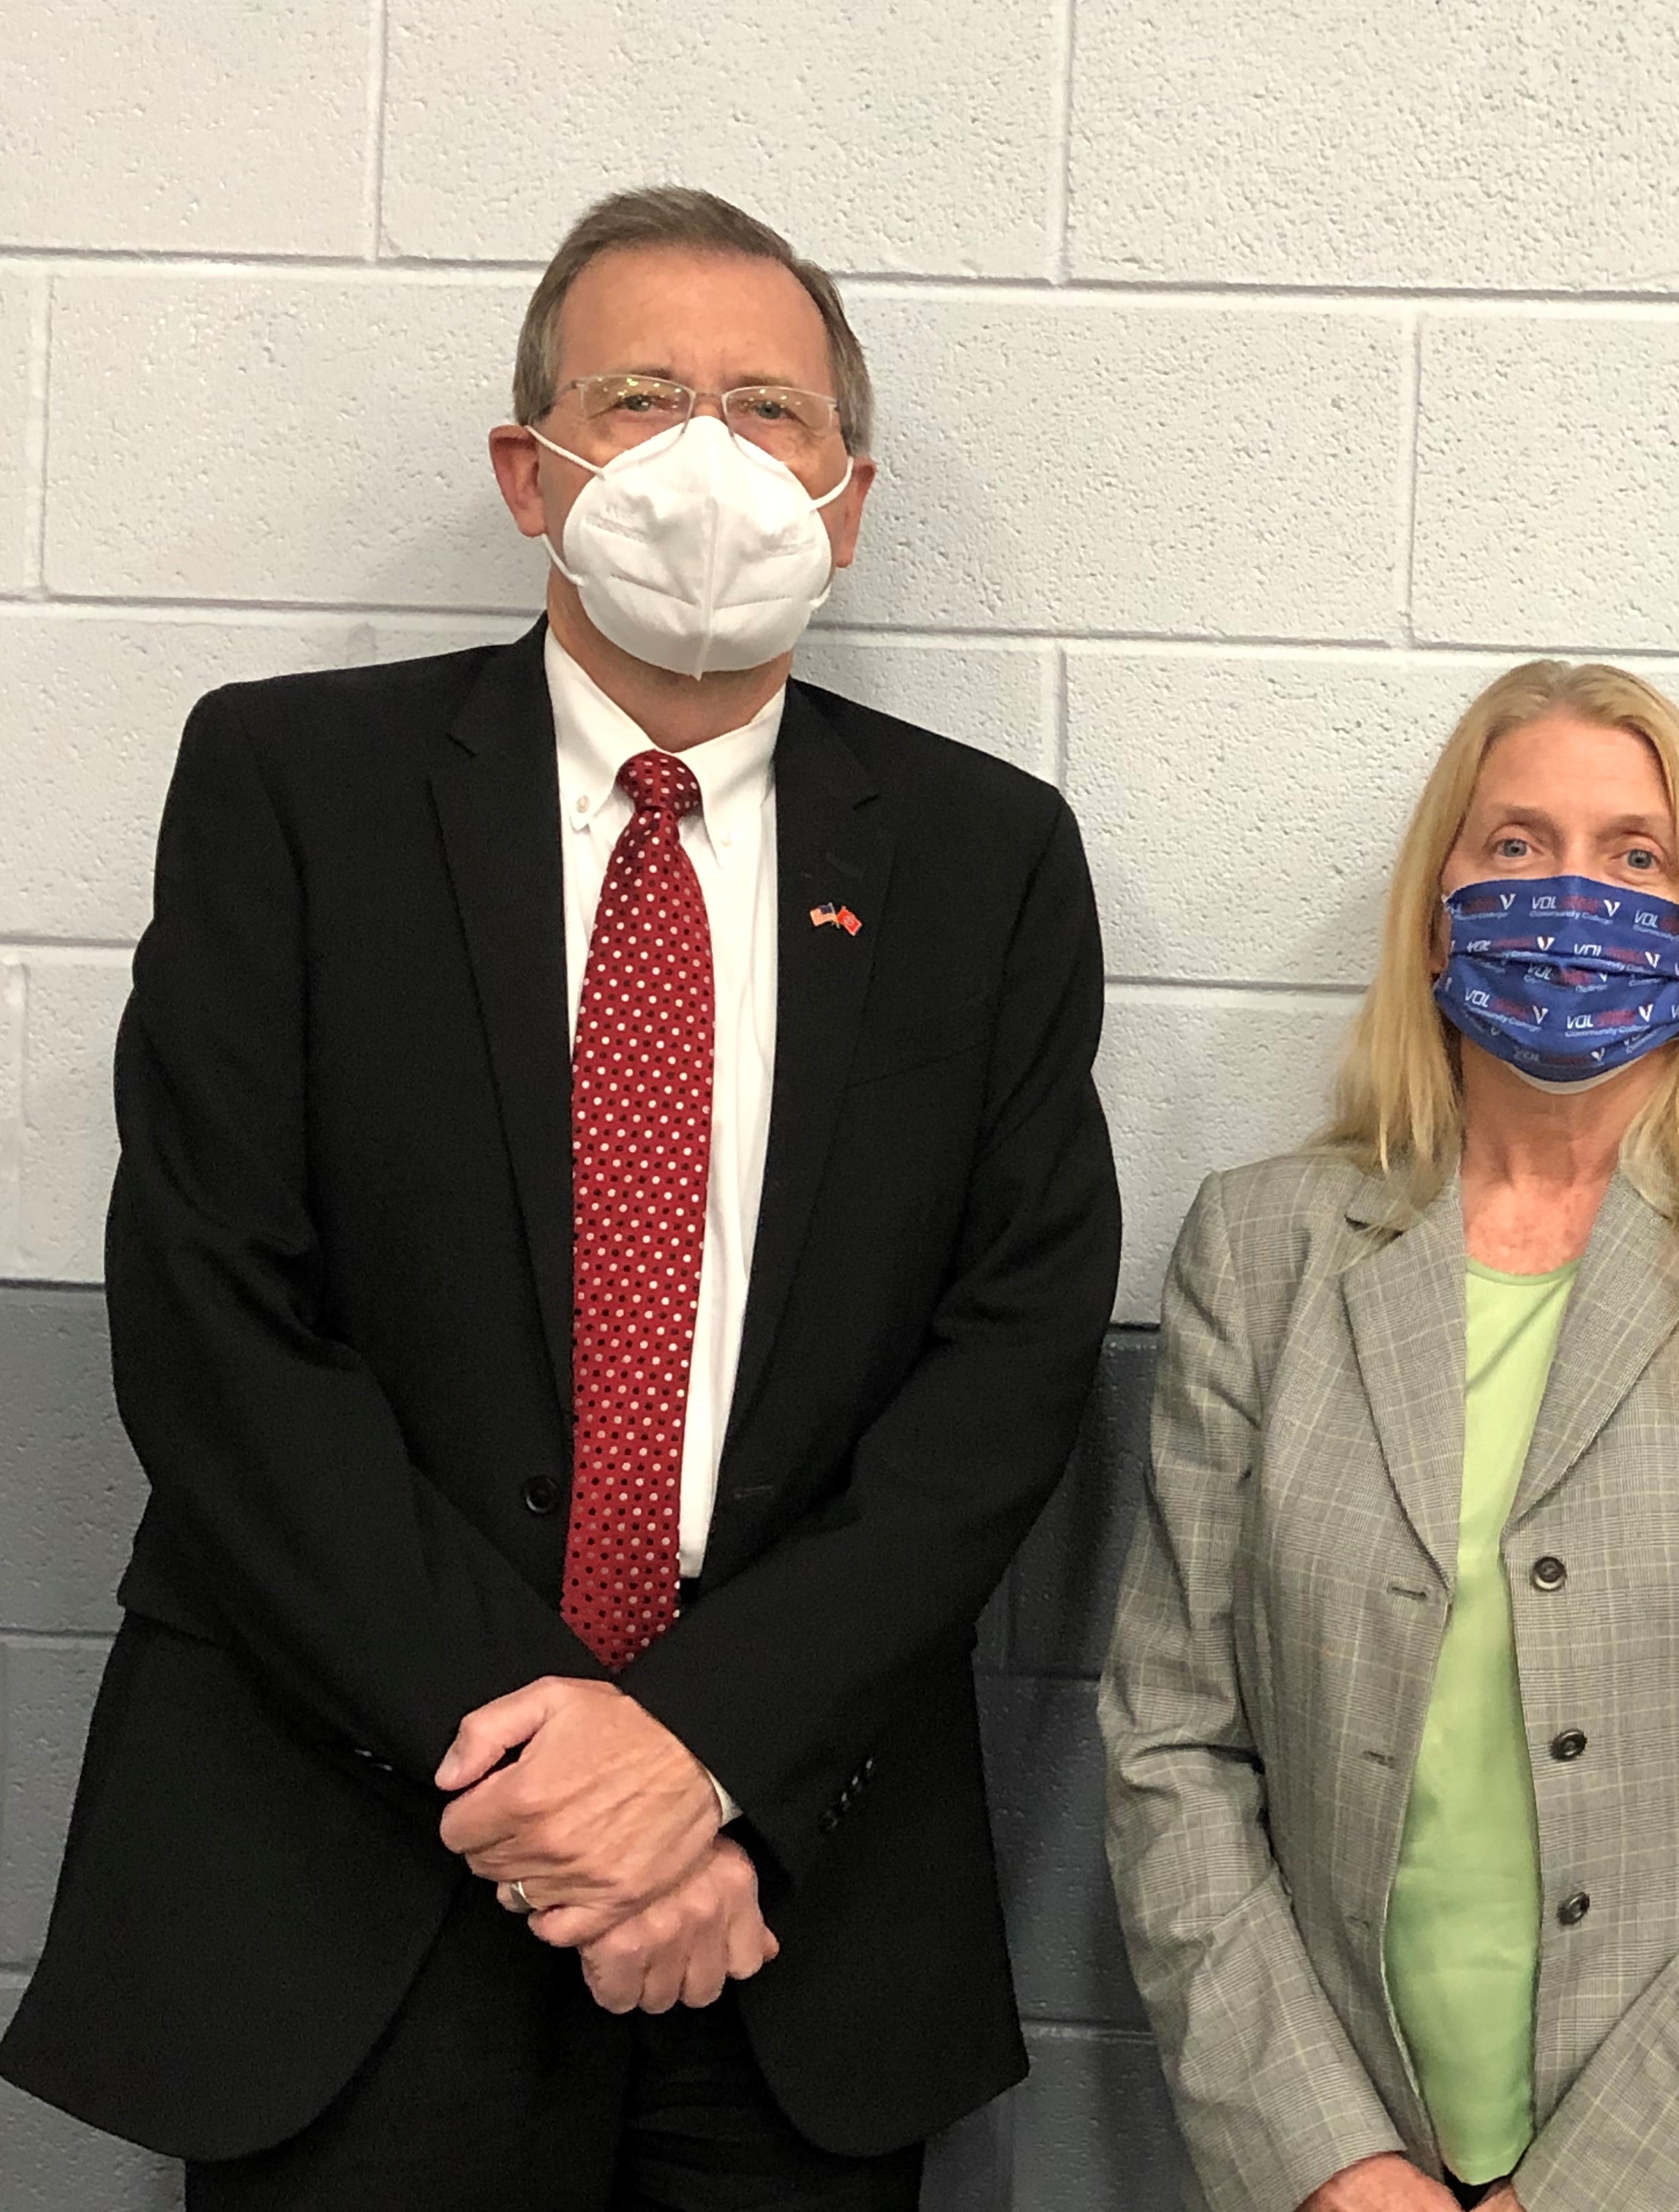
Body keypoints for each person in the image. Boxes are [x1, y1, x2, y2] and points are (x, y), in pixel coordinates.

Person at [0, 186, 1121, 2207]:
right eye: (642, 394)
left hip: (780, 1891)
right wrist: (546, 1772)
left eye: (768, 410)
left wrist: (695, 1755)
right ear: (532, 468)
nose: (710, 453)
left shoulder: (986, 860)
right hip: (352, 1862)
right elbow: (214, 1314)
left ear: (846, 499)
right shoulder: (294, 791)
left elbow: (1009, 1363)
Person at [1100, 661, 1679, 2212]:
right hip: (1352, 2171)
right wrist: (1331, 2163)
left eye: (1638, 855)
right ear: (1437, 908)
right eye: (1516, 844)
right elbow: (1172, 1749)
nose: (1576, 893)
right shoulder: (1262, 1251)